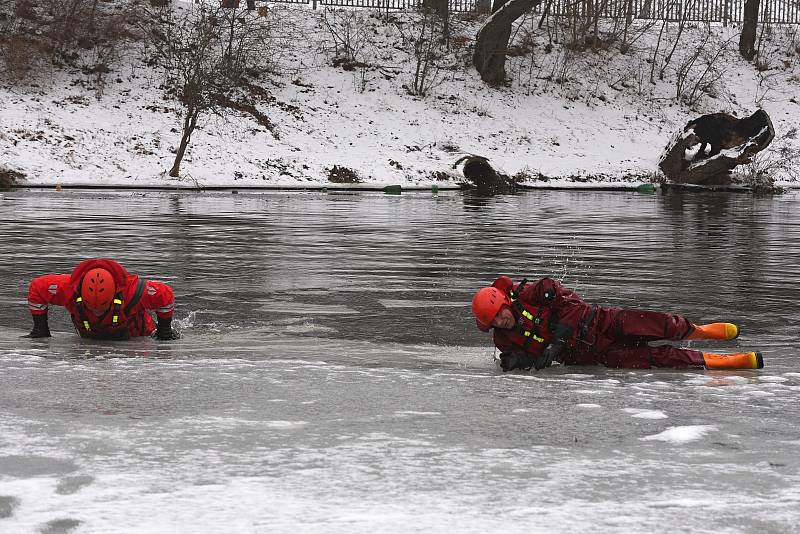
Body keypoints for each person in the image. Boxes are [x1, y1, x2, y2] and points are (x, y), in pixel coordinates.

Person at [471, 276, 763, 372]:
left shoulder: (528, 294)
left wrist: (560, 334)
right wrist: (523, 360)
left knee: (663, 326)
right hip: (596, 355)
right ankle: (722, 362)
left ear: (505, 302)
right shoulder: (504, 341)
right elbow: (530, 360)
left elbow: (554, 290)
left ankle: (701, 331)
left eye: (500, 312)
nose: (502, 320)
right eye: (495, 320)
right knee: (658, 358)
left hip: (603, 321)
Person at [24, 258, 179, 341]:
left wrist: (164, 331)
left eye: (102, 307)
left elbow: (166, 295)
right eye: (90, 306)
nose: (96, 311)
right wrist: (41, 329)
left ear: (115, 295)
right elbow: (36, 288)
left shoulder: (133, 290)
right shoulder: (69, 288)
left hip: (140, 337)